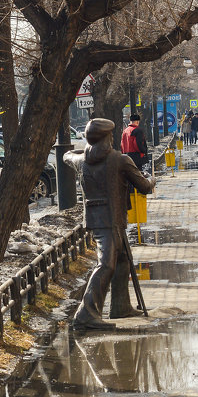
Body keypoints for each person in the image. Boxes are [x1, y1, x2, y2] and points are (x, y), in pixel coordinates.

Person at [64, 118, 155, 329]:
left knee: (122, 259)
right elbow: (143, 187)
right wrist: (151, 179)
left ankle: (120, 306)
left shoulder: (82, 161)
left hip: (96, 219)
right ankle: (86, 314)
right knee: (106, 264)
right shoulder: (120, 160)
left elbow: (67, 156)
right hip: (112, 220)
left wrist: (80, 152)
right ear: (107, 138)